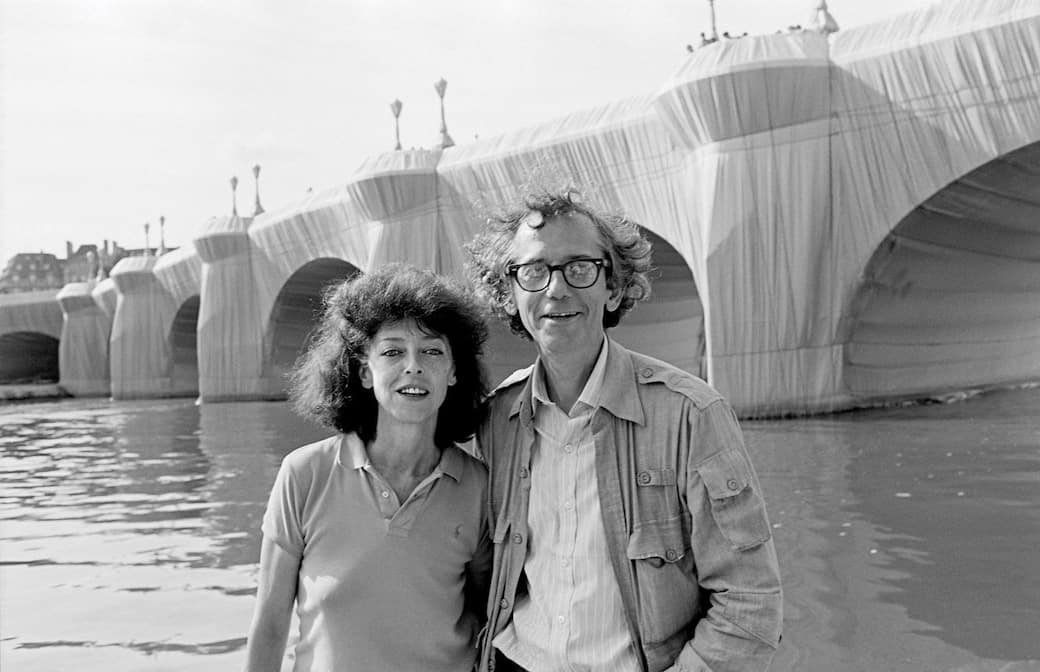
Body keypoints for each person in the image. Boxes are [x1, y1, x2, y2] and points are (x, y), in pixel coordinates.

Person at [466, 189, 783, 672]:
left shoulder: (689, 415)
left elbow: (749, 600)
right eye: (533, 271)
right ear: (510, 295)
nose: (556, 289)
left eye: (580, 268)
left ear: (613, 288)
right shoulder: (496, 420)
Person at [243, 264, 493, 672]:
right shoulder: (304, 475)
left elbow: (488, 617)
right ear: (364, 371)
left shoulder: (479, 486)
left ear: (453, 373)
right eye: (393, 352)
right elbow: (270, 625)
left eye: (432, 351)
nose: (413, 366)